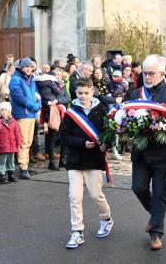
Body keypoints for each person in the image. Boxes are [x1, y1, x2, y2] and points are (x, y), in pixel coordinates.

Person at [130, 54, 166, 250]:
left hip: (162, 153)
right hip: (141, 153)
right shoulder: (135, 94)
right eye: (144, 73)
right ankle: (156, 217)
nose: (147, 76)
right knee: (138, 188)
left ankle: (156, 233)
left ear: (161, 73)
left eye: (151, 73)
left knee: (160, 194)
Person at [60, 77, 113, 249]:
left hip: (94, 158)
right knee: (75, 196)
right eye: (80, 93)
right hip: (75, 159)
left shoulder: (101, 109)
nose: (83, 96)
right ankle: (77, 231)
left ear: (92, 91)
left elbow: (109, 131)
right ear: (75, 93)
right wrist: (81, 143)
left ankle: (106, 219)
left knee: (96, 194)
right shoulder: (70, 113)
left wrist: (107, 143)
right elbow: (64, 136)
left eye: (86, 93)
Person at [9, 57, 41, 179]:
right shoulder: (15, 80)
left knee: (28, 142)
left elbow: (37, 95)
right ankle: (23, 167)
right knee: (22, 142)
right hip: (22, 114)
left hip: (31, 114)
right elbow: (19, 98)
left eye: (30, 66)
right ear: (21, 67)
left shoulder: (32, 78)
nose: (28, 69)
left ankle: (26, 165)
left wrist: (38, 105)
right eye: (26, 66)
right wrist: (35, 106)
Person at [0, 102, 21, 184]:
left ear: (9, 111)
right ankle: (2, 176)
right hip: (2, 145)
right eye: (2, 110)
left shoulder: (13, 121)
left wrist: (18, 143)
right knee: (2, 161)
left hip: (12, 145)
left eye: (6, 110)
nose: (4, 112)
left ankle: (11, 175)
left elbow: (17, 133)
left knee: (11, 161)